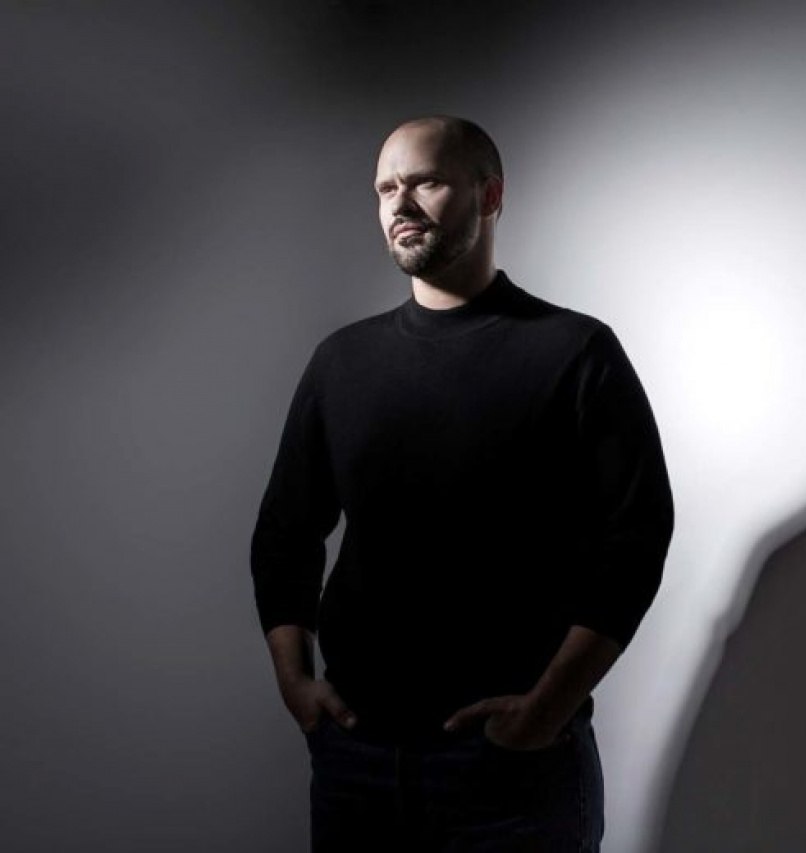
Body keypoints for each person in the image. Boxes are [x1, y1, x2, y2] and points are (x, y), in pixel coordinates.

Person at [250, 115, 675, 851]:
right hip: (357, 762)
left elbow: (637, 539)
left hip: (513, 767)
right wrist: (295, 679)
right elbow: (286, 531)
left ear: (490, 195)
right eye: (386, 188)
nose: (400, 203)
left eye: (426, 182)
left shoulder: (576, 352)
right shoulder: (342, 361)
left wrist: (547, 708)